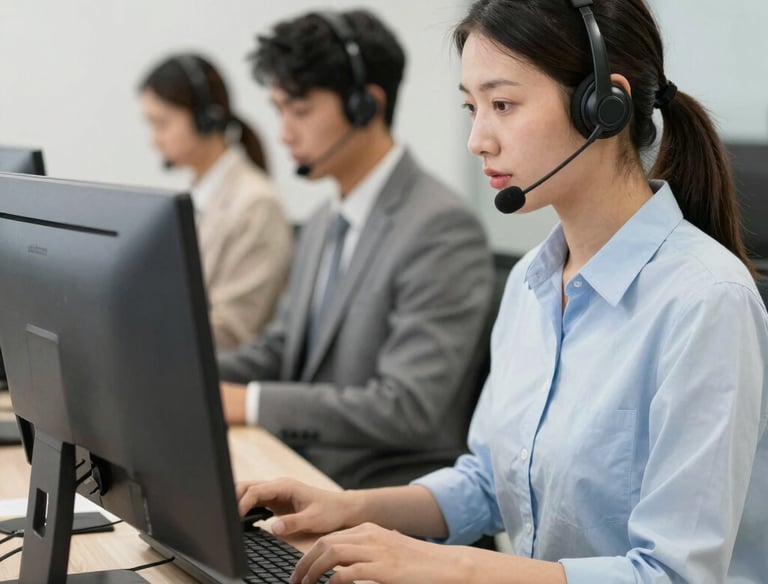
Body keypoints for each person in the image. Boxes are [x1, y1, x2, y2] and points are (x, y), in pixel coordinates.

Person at [235, 0, 768, 582]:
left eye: (503, 104)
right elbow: (488, 482)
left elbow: (673, 575)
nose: (477, 139)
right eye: (471, 107)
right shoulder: (531, 283)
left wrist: (453, 566)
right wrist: (349, 508)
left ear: (603, 106)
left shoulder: (705, 301)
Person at [217, 10, 494, 489]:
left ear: (366, 105)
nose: (284, 133)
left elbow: (407, 406)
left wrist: (251, 402)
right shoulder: (326, 219)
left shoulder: (440, 227)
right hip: (303, 477)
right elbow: (283, 345)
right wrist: (184, 369)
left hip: (383, 502)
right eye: (279, 110)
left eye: (300, 111)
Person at [139, 54, 292, 349]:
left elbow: (234, 332)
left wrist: (141, 335)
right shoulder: (195, 197)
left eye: (161, 124)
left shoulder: (256, 205)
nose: (154, 140)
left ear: (205, 118)